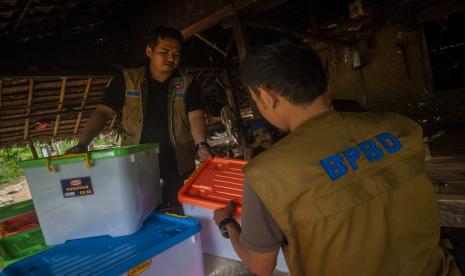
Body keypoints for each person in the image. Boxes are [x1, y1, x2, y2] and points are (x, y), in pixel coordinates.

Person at [213, 37, 461, 275]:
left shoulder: (266, 173)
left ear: (266, 95)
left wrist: (227, 224)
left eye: (255, 98)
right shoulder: (400, 127)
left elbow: (260, 266)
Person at [67, 26, 213, 208]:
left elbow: (196, 116)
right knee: (143, 210)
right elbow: (103, 112)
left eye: (176, 53)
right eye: (165, 52)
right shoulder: (127, 80)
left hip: (178, 161)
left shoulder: (187, 84)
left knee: (181, 207)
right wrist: (82, 143)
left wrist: (201, 144)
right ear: (149, 51)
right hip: (137, 161)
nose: (171, 58)